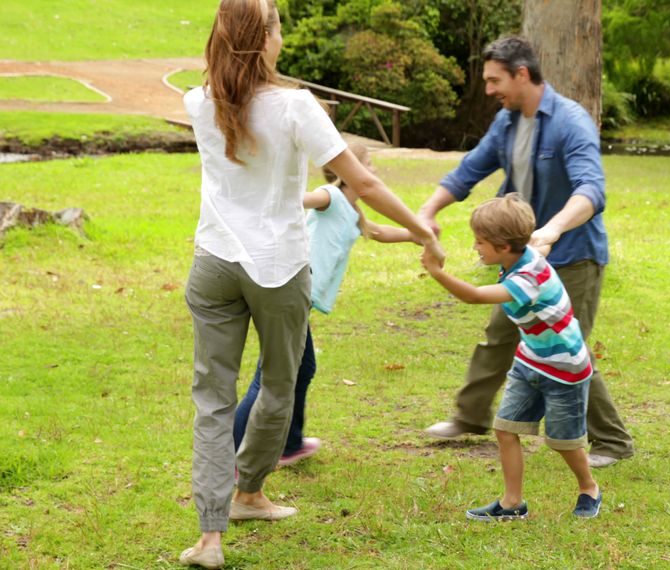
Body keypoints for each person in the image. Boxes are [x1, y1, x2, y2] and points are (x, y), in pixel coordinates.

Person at [180, 1, 442, 567]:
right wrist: (423, 230)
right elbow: (363, 182)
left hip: (213, 262)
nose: (282, 36)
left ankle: (210, 536)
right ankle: (247, 492)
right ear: (266, 38)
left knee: (212, 400)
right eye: (278, 26)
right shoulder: (297, 105)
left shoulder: (198, 101)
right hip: (277, 267)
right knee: (280, 383)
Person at [418, 36, 633, 468]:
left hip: (573, 254)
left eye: (495, 80)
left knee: (566, 346)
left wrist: (551, 230)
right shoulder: (508, 123)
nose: (489, 90)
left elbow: (591, 189)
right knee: (501, 334)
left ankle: (611, 441)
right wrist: (428, 209)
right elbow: (469, 170)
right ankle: (471, 416)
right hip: (524, 258)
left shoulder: (571, 122)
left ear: (522, 74)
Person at [232, 141, 418, 468]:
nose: (373, 170)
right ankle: (230, 458)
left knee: (302, 369)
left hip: (298, 296)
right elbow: (302, 200)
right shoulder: (330, 197)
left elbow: (376, 232)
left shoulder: (352, 208)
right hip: (288, 287)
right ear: (349, 171)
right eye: (367, 163)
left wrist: (415, 234)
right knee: (269, 376)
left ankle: (289, 445)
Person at [421, 195, 601, 520]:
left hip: (564, 368)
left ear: (504, 246)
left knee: (563, 441)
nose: (475, 247)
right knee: (505, 429)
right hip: (530, 360)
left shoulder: (526, 279)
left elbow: (474, 295)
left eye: (480, 242)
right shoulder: (521, 253)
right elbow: (540, 245)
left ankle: (589, 488)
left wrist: (436, 272)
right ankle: (511, 503)